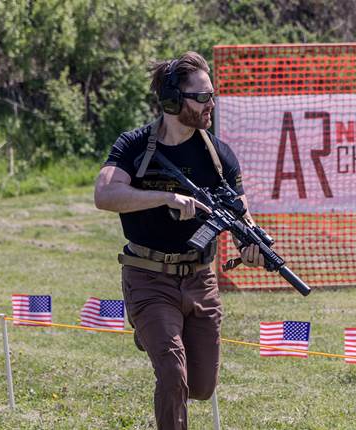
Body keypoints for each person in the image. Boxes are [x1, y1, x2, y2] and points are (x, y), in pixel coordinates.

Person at [94, 51, 263, 430]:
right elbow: (104, 195)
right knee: (173, 373)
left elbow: (242, 216)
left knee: (201, 386)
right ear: (173, 101)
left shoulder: (219, 156)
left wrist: (249, 247)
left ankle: (152, 333)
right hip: (148, 276)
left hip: (200, 279)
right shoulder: (135, 146)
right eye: (202, 97)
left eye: (212, 95)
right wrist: (165, 197)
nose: (211, 105)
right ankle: (154, 328)